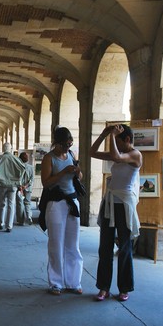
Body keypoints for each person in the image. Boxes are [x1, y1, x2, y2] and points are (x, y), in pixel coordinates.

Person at [90, 123, 142, 302]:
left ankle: (124, 288)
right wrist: (105, 134)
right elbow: (92, 152)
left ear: (127, 139)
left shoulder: (135, 154)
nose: (116, 145)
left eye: (118, 141)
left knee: (125, 247)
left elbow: (117, 157)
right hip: (110, 202)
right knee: (105, 246)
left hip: (124, 205)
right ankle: (103, 287)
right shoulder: (118, 152)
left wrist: (111, 136)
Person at [40, 127, 83, 296]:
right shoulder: (48, 158)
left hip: (72, 201)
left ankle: (74, 282)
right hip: (56, 203)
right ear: (56, 143)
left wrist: (78, 172)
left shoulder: (72, 155)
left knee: (73, 244)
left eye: (69, 144)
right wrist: (64, 172)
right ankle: (56, 283)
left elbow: (80, 178)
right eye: (64, 145)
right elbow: (46, 182)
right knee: (56, 243)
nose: (67, 148)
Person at [0, 143, 28, 232]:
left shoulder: (0, 159)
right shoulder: (15, 158)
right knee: (11, 205)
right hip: (13, 185)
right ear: (10, 149)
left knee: (2, 204)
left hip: (2, 184)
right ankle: (9, 226)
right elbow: (23, 168)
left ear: (3, 149)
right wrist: (19, 179)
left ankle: (0, 223)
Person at [16, 152, 34, 225]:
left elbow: (17, 178)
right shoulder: (31, 167)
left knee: (20, 204)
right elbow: (32, 179)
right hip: (28, 188)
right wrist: (26, 186)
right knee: (27, 203)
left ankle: (21, 221)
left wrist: (21, 186)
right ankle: (29, 216)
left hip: (19, 188)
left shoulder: (17, 166)